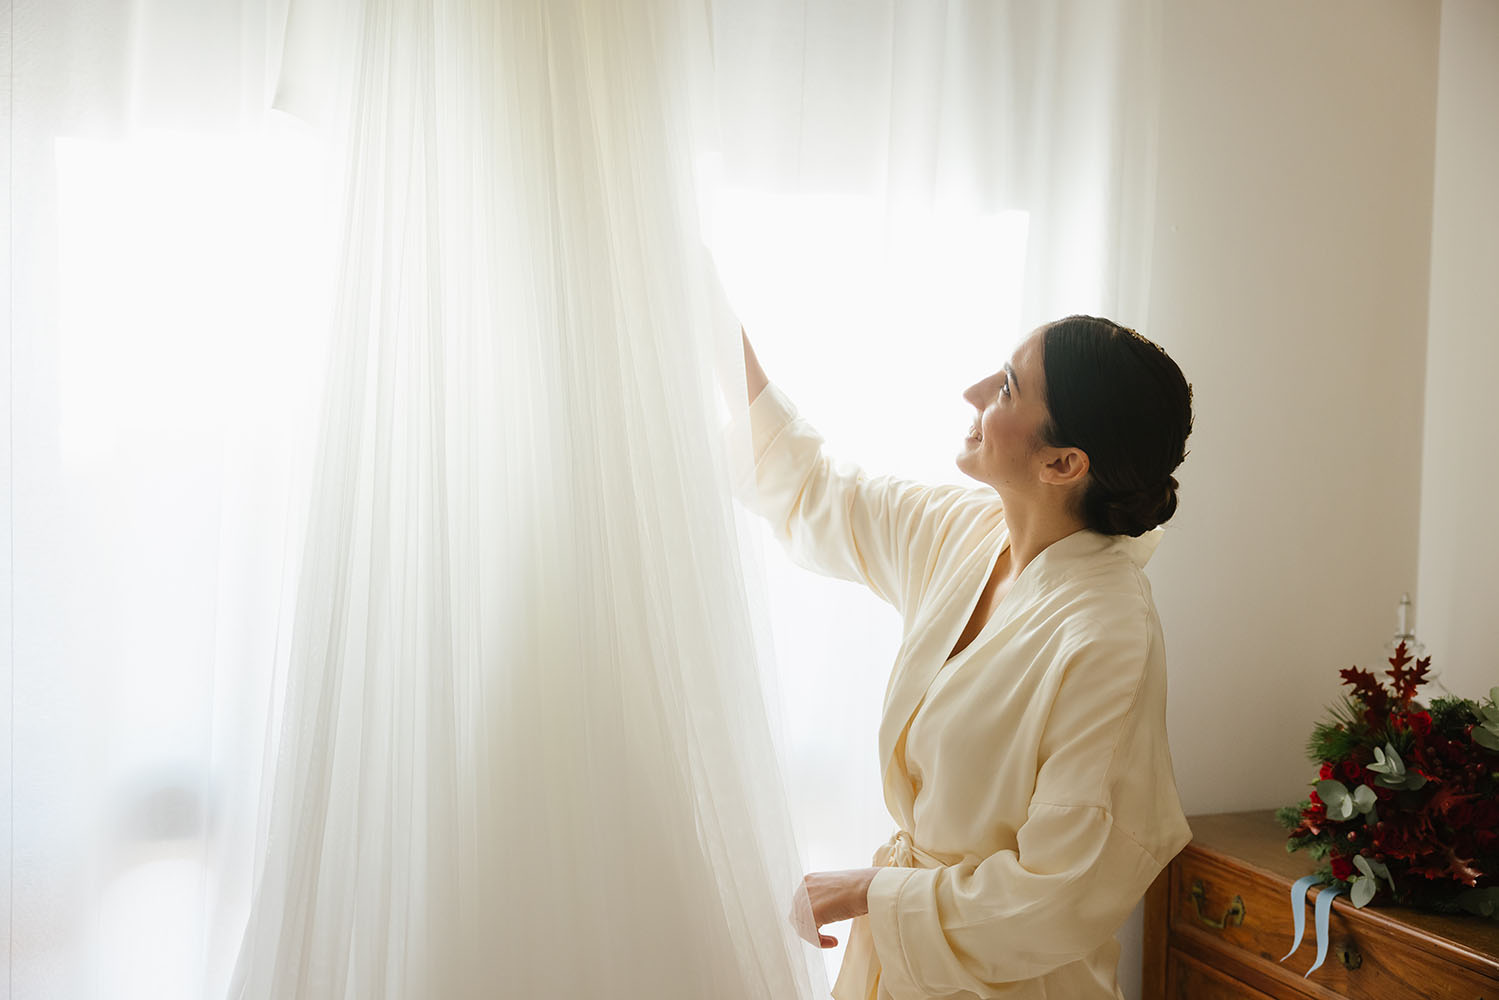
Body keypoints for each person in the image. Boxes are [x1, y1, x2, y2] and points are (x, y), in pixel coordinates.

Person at [735, 316, 1195, 1000]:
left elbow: (1060, 894)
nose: (973, 392)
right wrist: (720, 338)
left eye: (1006, 387)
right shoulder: (967, 533)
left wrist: (869, 891)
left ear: (1062, 463)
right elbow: (818, 494)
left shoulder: (1108, 638)